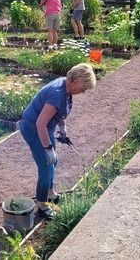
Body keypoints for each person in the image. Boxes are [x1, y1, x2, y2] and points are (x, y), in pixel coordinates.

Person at [19, 63, 97, 218]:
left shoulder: (66, 87)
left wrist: (62, 126)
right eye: (84, 87)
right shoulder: (57, 94)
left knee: (54, 162)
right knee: (47, 166)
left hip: (45, 128)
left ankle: (50, 192)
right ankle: (42, 205)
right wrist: (47, 149)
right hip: (34, 128)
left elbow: (60, 111)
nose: (83, 92)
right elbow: (40, 123)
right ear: (75, 81)